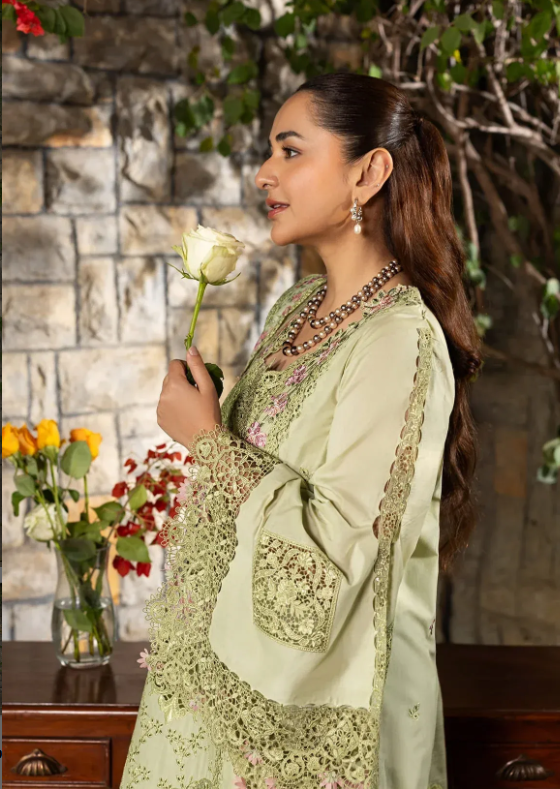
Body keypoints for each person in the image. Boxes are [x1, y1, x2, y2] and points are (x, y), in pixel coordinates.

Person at [119, 72, 482, 789]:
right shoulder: (298, 306)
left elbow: (338, 555)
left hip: (319, 708)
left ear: (368, 173)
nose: (264, 173)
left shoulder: (398, 338)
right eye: (270, 153)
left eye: (290, 151)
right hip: (220, 682)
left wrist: (208, 442)